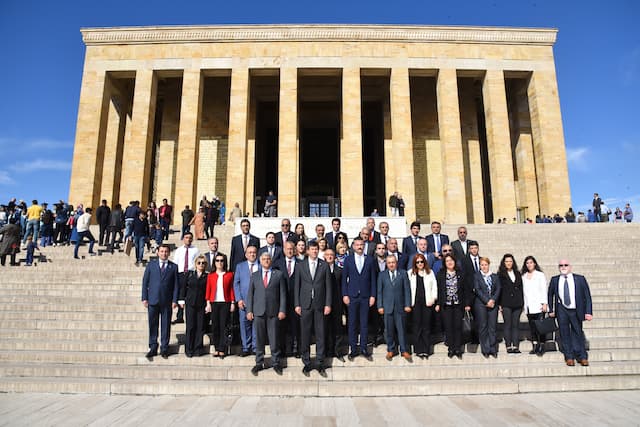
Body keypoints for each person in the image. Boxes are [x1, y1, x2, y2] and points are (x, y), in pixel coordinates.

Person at [294, 241, 332, 376]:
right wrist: (297, 304)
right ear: (308, 251)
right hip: (305, 305)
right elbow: (296, 286)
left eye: (316, 249)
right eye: (312, 249)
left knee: (320, 333)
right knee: (305, 334)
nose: (314, 251)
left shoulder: (324, 266)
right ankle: (307, 362)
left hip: (320, 305)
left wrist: (328, 304)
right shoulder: (300, 266)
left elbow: (328, 286)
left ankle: (320, 361)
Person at [247, 252, 287, 376]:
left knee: (274, 338)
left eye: (268, 259)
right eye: (264, 259)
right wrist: (249, 310)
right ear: (260, 261)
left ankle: (276, 362)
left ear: (271, 261)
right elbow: (250, 295)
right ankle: (259, 362)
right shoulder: (254, 275)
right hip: (258, 312)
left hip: (273, 312)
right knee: (259, 338)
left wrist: (282, 310)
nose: (266, 261)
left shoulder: (278, 275)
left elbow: (283, 295)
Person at [548, 259, 593, 366]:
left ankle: (582, 356)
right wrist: (551, 309)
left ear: (570, 267)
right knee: (564, 334)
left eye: (566, 265)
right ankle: (569, 357)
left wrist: (588, 312)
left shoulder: (580, 279)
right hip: (562, 310)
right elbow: (550, 295)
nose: (563, 267)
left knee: (578, 333)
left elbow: (587, 296)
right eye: (561, 265)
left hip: (576, 310)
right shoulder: (555, 280)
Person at [342, 237, 377, 361]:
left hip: (365, 297)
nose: (359, 247)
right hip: (352, 296)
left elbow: (373, 279)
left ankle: (363, 348)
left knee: (364, 323)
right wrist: (344, 294)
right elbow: (344, 279)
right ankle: (353, 348)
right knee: (352, 323)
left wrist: (373, 295)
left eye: (361, 244)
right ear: (353, 246)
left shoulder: (370, 260)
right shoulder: (348, 260)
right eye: (357, 245)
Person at [141, 244, 179, 359]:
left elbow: (176, 285)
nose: (164, 253)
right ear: (158, 252)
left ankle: (164, 348)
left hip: (167, 301)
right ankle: (153, 346)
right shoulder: (151, 265)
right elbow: (145, 282)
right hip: (153, 300)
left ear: (169, 253)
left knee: (166, 325)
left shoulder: (173, 267)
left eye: (166, 251)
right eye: (162, 251)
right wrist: (144, 297)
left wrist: (175, 300)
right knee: (153, 324)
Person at [435, 254, 472, 359]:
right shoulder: (441, 274)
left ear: (455, 262)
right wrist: (438, 303)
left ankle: (457, 348)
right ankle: (451, 348)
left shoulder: (461, 274)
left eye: (451, 260)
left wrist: (467, 304)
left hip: (458, 304)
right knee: (448, 327)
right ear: (444, 263)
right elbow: (438, 290)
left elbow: (466, 290)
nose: (449, 262)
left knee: (457, 326)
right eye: (447, 261)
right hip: (446, 305)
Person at [377, 255, 412, 362]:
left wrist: (407, 304)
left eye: (393, 262)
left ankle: (404, 350)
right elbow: (379, 292)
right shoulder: (382, 275)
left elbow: (407, 290)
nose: (391, 264)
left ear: (396, 263)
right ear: (386, 264)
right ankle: (391, 349)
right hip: (387, 307)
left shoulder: (403, 273)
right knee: (389, 330)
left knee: (401, 329)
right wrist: (380, 306)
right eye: (389, 263)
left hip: (400, 307)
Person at [205, 253, 235, 358]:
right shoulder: (211, 275)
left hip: (225, 302)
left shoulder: (230, 274)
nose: (219, 262)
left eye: (221, 260)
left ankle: (222, 348)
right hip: (214, 302)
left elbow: (231, 289)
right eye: (217, 260)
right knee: (215, 326)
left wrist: (232, 302)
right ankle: (217, 347)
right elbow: (208, 289)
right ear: (214, 262)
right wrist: (208, 303)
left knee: (224, 326)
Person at [407, 253, 437, 359]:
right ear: (415, 263)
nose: (420, 264)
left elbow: (434, 287)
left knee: (426, 326)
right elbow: (407, 289)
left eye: (421, 261)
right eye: (417, 262)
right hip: (415, 304)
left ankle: (426, 350)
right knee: (417, 326)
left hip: (427, 303)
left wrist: (433, 299)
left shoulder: (430, 273)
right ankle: (418, 349)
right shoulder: (410, 273)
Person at [178, 255, 209, 357]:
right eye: (199, 263)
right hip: (190, 303)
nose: (201, 265)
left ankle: (198, 348)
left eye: (203, 263)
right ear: (195, 264)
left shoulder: (207, 276)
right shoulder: (189, 274)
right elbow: (183, 287)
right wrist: (181, 299)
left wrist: (208, 304)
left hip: (201, 304)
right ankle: (189, 349)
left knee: (200, 327)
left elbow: (208, 291)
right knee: (190, 326)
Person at [233, 245, 259, 356]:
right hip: (243, 301)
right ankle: (245, 347)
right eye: (250, 252)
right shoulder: (240, 266)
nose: (252, 254)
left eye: (254, 252)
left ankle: (255, 347)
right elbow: (236, 283)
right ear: (246, 254)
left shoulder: (261, 266)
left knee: (256, 325)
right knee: (244, 325)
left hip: (258, 301)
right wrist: (238, 299)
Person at [473, 257, 501, 358]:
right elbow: (477, 289)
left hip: (493, 304)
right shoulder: (477, 276)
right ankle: (485, 349)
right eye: (482, 265)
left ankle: (493, 349)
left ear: (489, 265)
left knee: (492, 327)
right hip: (481, 304)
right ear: (479, 266)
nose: (484, 267)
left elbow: (498, 289)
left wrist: (493, 300)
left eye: (486, 265)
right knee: (483, 326)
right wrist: (487, 300)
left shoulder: (494, 276)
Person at [521, 255, 548, 356]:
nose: (529, 265)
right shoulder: (523, 276)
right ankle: (535, 345)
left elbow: (543, 289)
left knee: (540, 327)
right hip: (529, 306)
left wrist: (544, 303)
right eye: (527, 263)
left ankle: (542, 345)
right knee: (532, 328)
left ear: (534, 264)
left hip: (539, 305)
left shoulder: (540, 275)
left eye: (531, 263)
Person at [498, 254, 524, 353]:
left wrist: (522, 302)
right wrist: (499, 304)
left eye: (510, 261)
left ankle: (516, 345)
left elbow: (521, 288)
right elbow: (499, 289)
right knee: (507, 324)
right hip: (506, 303)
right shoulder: (500, 274)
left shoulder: (517, 273)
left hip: (517, 303)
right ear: (503, 263)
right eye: (507, 261)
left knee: (515, 324)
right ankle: (509, 345)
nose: (509, 263)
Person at [172, 232, 200, 324]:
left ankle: (190, 315)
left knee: (190, 294)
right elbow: (175, 263)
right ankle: (179, 316)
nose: (188, 239)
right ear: (183, 239)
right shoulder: (179, 250)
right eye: (186, 237)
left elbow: (197, 262)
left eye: (190, 238)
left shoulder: (195, 250)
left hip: (191, 273)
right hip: (181, 273)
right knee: (181, 294)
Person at [324, 248, 346, 362]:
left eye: (332, 255)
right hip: (324, 303)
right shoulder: (321, 269)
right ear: (324, 256)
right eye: (327, 255)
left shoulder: (340, 270)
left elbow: (343, 287)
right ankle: (327, 350)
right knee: (325, 327)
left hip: (337, 303)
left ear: (335, 257)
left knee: (337, 328)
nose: (330, 257)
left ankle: (337, 350)